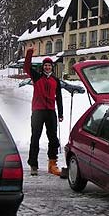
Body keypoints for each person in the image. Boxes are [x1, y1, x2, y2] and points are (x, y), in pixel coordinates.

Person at [24, 48, 64, 176]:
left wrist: (61, 113)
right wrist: (29, 53)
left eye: (49, 66)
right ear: (43, 67)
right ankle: (33, 165)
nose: (47, 67)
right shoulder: (36, 77)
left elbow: (59, 97)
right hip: (38, 112)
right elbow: (26, 67)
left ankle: (52, 164)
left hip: (51, 112)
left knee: (53, 139)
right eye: (45, 65)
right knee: (35, 137)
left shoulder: (55, 80)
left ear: (52, 67)